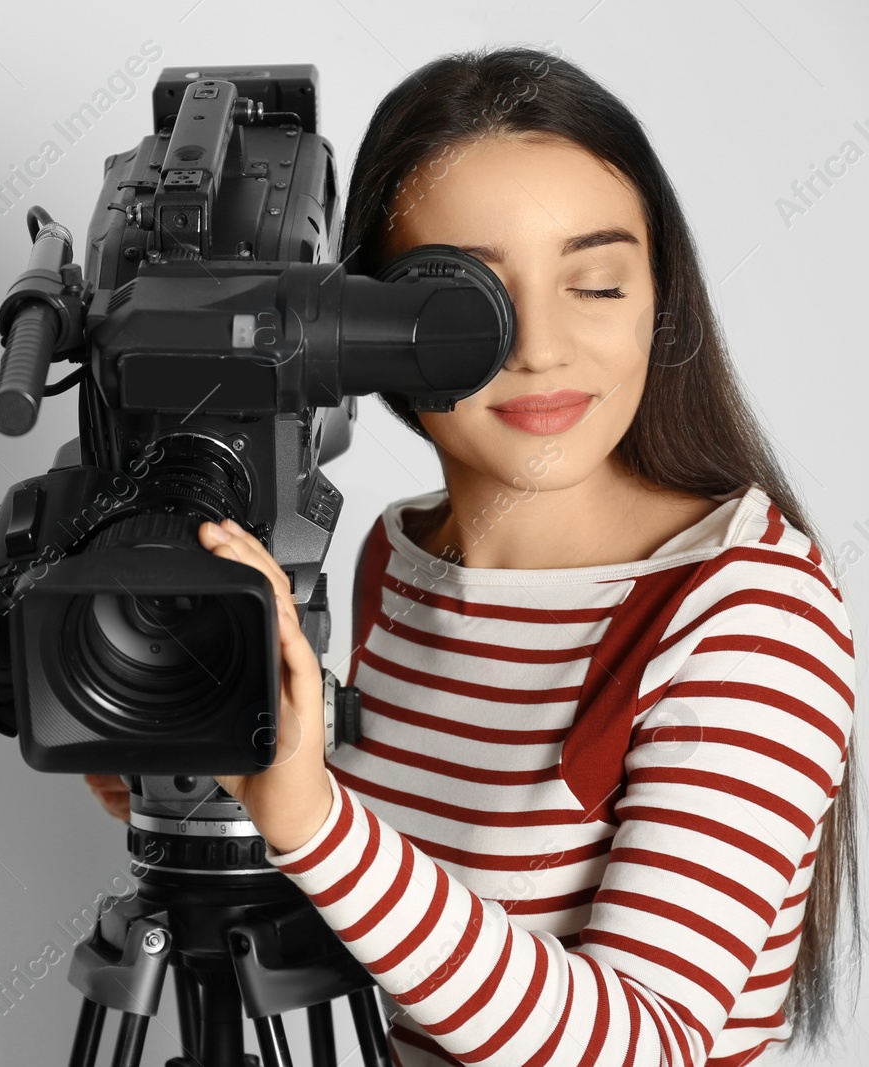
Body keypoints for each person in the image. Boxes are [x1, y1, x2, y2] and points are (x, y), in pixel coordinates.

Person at [84, 45, 858, 1067]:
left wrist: (312, 818)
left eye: (595, 284)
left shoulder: (750, 613)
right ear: (354, 325)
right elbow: (396, 926)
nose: (539, 344)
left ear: (660, 297)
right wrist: (215, 780)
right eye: (467, 303)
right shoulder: (398, 556)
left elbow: (647, 1042)